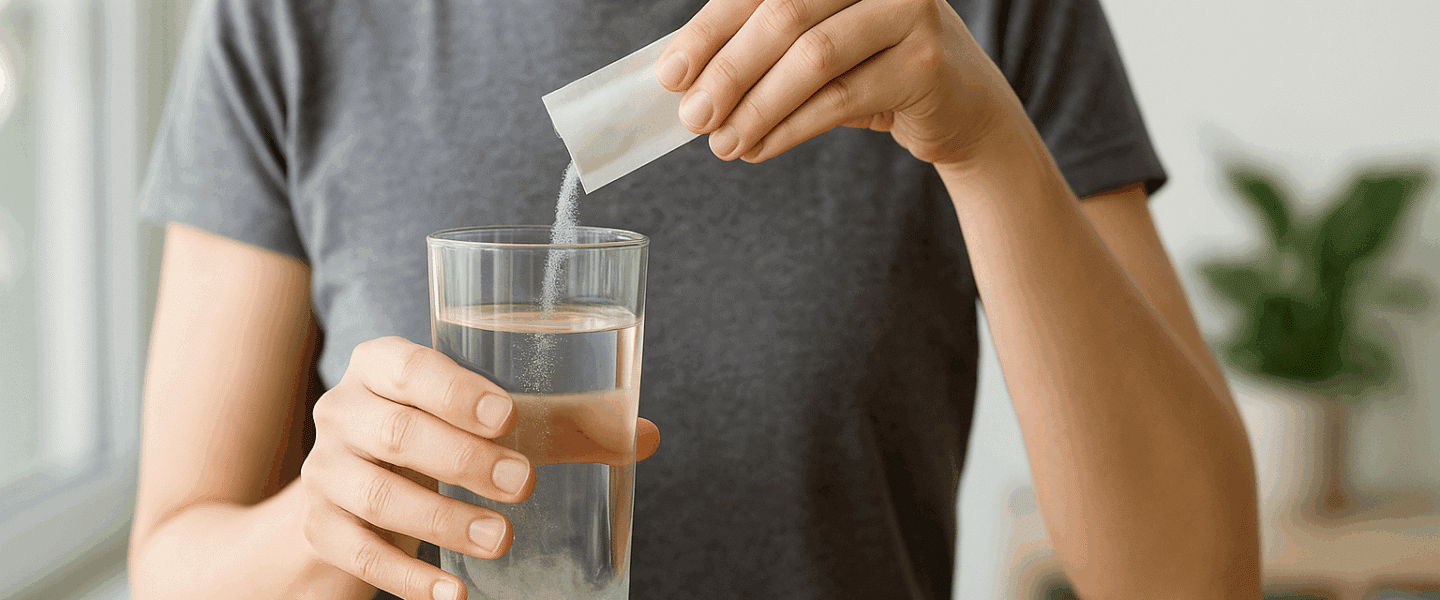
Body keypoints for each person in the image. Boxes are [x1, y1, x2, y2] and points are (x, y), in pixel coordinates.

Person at [127, 0, 1261, 598]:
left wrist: (985, 144)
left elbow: (1194, 580)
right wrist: (330, 524)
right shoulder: (289, 18)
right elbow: (175, 563)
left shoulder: (959, 16)